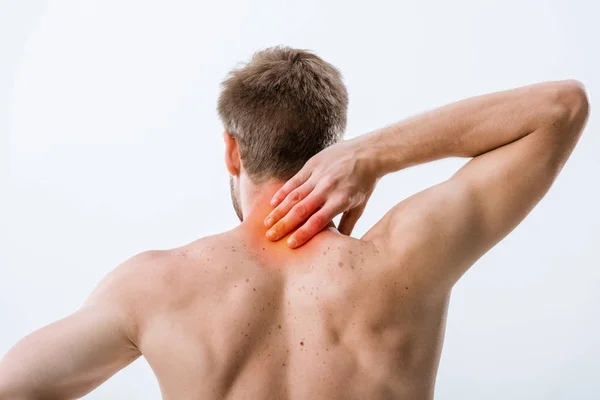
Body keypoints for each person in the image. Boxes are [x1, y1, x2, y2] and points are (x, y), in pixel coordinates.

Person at [0, 46, 589, 400]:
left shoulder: (153, 287)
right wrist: (377, 152)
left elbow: (15, 385)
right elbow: (561, 107)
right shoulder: (406, 257)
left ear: (232, 151)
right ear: (330, 148)